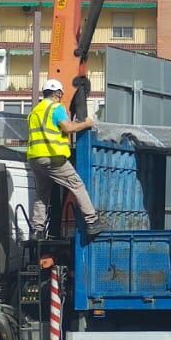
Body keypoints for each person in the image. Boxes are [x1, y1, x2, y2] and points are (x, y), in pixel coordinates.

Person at [26, 78, 104, 240]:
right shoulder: (56, 107)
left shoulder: (35, 111)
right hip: (53, 157)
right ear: (58, 93)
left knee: (42, 194)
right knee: (77, 185)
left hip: (35, 158)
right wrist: (87, 123)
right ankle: (92, 221)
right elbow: (68, 128)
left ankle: (37, 230)